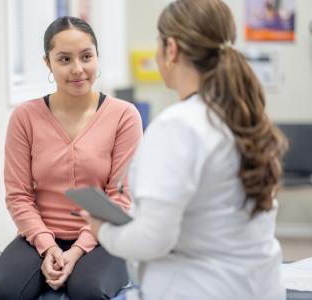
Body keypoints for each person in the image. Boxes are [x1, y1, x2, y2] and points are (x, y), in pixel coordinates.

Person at [81, 1, 288, 300]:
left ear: (172, 49)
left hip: (199, 289)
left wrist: (102, 229)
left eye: (157, 43)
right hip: (260, 288)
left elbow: (152, 240)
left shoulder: (178, 126)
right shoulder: (242, 117)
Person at [0, 16, 143, 300]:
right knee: (3, 293)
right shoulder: (25, 117)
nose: (78, 69)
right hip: (39, 235)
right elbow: (18, 195)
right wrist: (49, 247)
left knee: (89, 291)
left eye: (86, 56)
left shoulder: (124, 116)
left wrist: (77, 250)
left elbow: (120, 198)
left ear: (97, 56)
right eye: (64, 59)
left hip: (104, 237)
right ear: (47, 63)